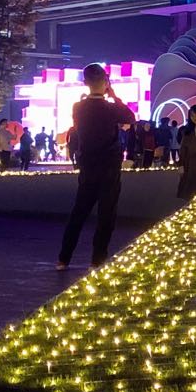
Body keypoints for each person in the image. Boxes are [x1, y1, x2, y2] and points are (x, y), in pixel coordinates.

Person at [58, 64, 137, 271]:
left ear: (86, 83)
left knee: (79, 213)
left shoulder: (78, 107)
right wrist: (114, 96)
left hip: (88, 167)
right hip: (109, 167)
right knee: (106, 214)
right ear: (106, 83)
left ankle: (63, 259)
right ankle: (97, 259)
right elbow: (130, 117)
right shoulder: (110, 108)